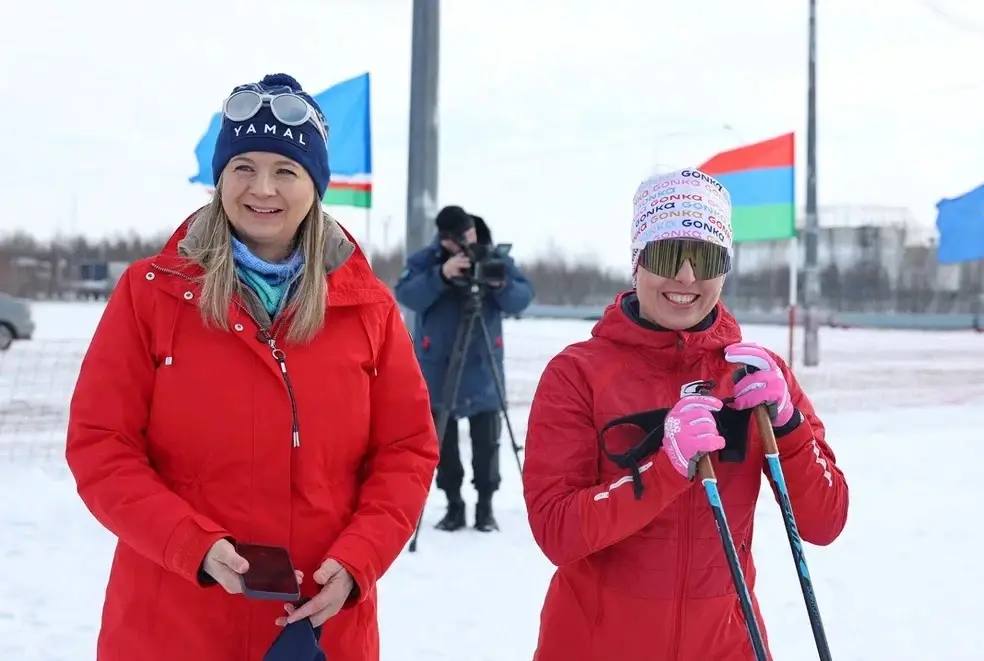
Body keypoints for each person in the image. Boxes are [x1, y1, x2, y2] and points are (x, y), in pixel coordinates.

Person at [64, 73, 438, 661]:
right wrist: (192, 545)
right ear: (220, 178)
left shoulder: (369, 308)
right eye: (244, 167)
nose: (262, 188)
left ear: (315, 184)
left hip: (321, 625)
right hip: (172, 624)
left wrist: (359, 559)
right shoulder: (150, 294)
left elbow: (407, 451)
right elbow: (100, 446)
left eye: (286, 170)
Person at [523, 168, 849, 660]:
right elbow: (557, 532)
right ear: (637, 262)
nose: (686, 278)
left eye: (707, 259)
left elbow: (825, 521)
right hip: (595, 645)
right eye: (668, 255)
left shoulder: (753, 373)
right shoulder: (577, 373)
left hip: (725, 645)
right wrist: (665, 467)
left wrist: (790, 427)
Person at [395, 205, 534, 532]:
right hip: (438, 367)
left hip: (483, 365)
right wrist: (442, 275)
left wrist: (499, 283)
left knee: (487, 442)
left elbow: (522, 297)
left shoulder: (495, 258)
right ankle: (453, 505)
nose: (462, 244)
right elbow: (407, 294)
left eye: (466, 235)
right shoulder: (428, 261)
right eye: (454, 240)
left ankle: (486, 506)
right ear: (444, 239)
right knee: (441, 442)